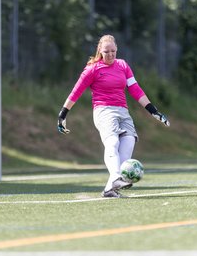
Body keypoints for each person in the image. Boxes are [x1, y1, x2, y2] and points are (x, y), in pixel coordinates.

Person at [57, 34, 170, 198]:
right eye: (106, 51)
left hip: (123, 111)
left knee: (129, 140)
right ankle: (116, 176)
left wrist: (154, 111)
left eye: (113, 51)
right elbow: (76, 92)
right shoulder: (93, 69)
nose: (110, 55)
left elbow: (135, 89)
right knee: (112, 141)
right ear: (100, 51)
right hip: (103, 111)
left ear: (117, 50)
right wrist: (63, 114)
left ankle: (111, 188)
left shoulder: (123, 65)